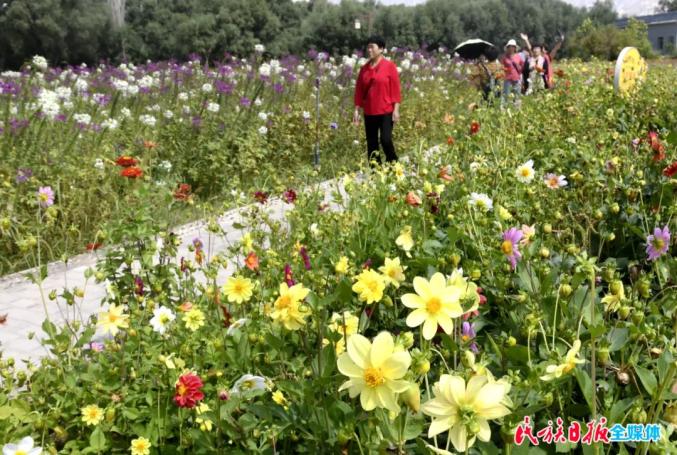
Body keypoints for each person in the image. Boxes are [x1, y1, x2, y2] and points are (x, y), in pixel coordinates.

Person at [353, 36, 401, 165]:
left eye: (372, 47)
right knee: (372, 143)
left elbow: (396, 89)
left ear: (381, 49)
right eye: (368, 47)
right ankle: (376, 172)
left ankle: (394, 165)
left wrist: (396, 110)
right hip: (369, 111)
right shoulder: (364, 69)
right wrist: (356, 109)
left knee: (385, 140)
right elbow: (359, 90)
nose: (369, 50)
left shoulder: (390, 66)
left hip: (386, 110)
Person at [500, 39, 523, 107]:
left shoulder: (518, 56)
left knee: (517, 95)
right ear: (507, 48)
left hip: (516, 78)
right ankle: (505, 109)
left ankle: (517, 109)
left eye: (513, 46)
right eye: (510, 46)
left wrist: (518, 66)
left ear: (515, 48)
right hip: (508, 78)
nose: (511, 48)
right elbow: (501, 67)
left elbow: (522, 67)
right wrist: (505, 70)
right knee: (506, 95)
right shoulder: (504, 57)